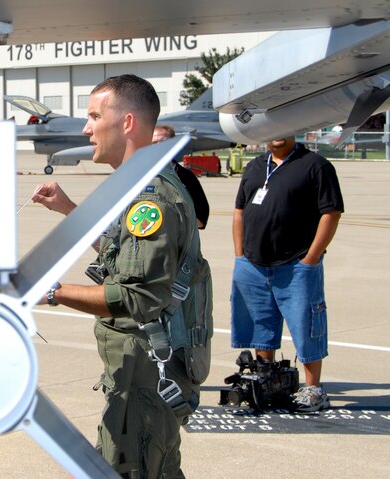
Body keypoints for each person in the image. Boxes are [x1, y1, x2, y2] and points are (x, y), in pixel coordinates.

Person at [32, 74, 204, 478]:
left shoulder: (150, 198)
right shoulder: (139, 186)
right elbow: (123, 255)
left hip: (144, 377)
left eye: (94, 116)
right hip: (139, 373)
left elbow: (139, 296)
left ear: (127, 123)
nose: (86, 128)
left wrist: (51, 291)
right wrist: (69, 208)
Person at [231, 135, 343, 412]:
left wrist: (311, 258)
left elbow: (331, 212)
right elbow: (239, 211)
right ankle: (265, 381)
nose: (275, 134)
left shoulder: (315, 165)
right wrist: (239, 255)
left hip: (296, 264)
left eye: (282, 128)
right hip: (253, 264)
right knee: (260, 326)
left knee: (307, 326)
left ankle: (314, 389)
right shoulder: (256, 166)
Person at [153, 124, 210, 229]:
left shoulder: (187, 177)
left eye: (164, 141)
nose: (159, 146)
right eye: (154, 142)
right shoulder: (139, 176)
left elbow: (201, 218)